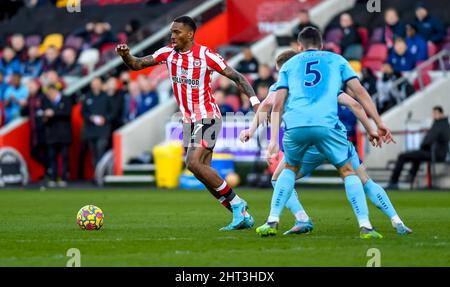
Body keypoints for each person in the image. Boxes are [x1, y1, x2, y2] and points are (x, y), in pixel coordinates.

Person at [240, 50, 410, 236]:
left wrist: (251, 130)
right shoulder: (321, 85)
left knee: (279, 178)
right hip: (334, 137)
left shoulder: (282, 83)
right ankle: (396, 221)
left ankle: (299, 218)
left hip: (306, 144)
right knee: (364, 179)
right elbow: (355, 104)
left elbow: (267, 105)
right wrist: (371, 129)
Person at [116, 15, 261, 231]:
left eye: (177, 32)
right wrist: (126, 56)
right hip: (188, 121)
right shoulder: (167, 53)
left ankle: (239, 203)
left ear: (190, 33)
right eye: (171, 32)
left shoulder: (206, 55)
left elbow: (237, 77)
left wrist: (255, 102)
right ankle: (242, 216)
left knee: (192, 162)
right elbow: (137, 65)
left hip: (208, 116)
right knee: (203, 172)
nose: (172, 36)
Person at [388, 106, 450, 189]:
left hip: (434, 154)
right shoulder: (446, 124)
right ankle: (410, 179)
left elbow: (428, 140)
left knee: (402, 156)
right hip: (439, 153)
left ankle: (393, 182)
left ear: (441, 114)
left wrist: (423, 145)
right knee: (417, 157)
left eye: (435, 113)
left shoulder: (439, 124)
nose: (433, 115)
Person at [42, 84, 72, 187]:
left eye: (50, 93)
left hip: (64, 135)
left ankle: (63, 178)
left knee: (64, 157)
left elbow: (68, 113)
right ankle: (53, 178)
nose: (49, 95)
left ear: (55, 91)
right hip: (51, 135)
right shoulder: (47, 101)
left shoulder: (66, 99)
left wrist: (53, 113)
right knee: (52, 157)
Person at [82, 77, 112, 168]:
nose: (95, 85)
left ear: (101, 84)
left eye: (97, 83)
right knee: (93, 153)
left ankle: (102, 173)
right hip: (90, 129)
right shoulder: (87, 97)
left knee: (101, 150)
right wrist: (90, 117)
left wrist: (105, 119)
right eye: (93, 83)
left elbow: (112, 112)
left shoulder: (106, 96)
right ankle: (96, 174)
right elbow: (83, 112)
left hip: (103, 130)